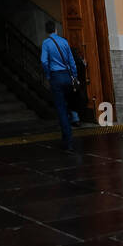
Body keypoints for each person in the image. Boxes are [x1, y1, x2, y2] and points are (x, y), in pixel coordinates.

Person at [41, 19, 79, 151]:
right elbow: (71, 61)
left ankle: (68, 139)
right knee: (69, 103)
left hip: (56, 77)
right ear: (56, 29)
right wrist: (74, 76)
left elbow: (44, 61)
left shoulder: (46, 43)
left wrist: (49, 75)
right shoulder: (64, 41)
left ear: (47, 31)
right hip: (67, 76)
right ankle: (72, 121)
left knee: (61, 108)